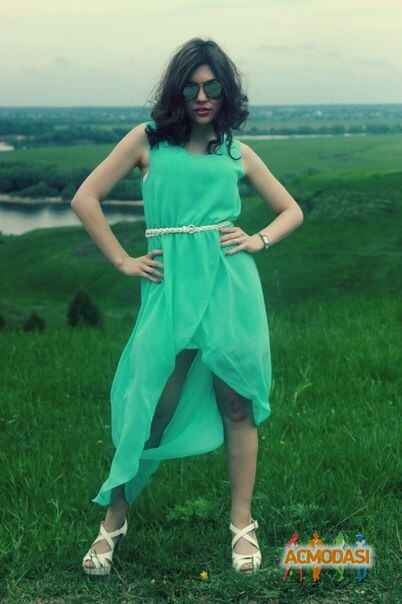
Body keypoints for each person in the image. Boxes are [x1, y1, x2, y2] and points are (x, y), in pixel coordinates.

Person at [72, 37, 304, 577]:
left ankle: (241, 523)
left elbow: (290, 210)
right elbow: (85, 198)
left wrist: (258, 240)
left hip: (230, 287)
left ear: (227, 92)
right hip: (170, 290)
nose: (202, 97)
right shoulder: (147, 140)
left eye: (213, 87)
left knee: (237, 404)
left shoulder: (235, 151)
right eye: (192, 87)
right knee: (151, 403)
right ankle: (113, 519)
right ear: (176, 91)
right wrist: (122, 260)